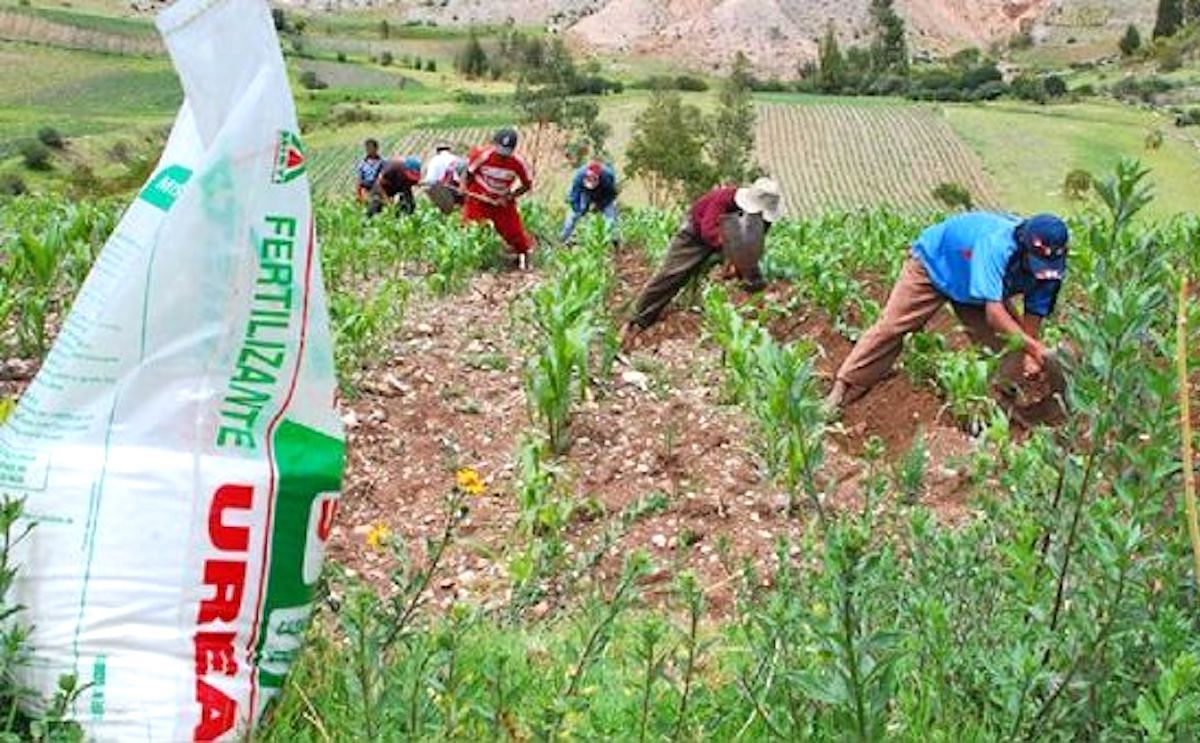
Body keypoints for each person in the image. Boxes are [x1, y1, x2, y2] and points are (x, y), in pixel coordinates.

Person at [825, 212, 1070, 412]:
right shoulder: (996, 245)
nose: (1042, 270)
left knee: (1011, 348)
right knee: (893, 326)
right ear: (1023, 247)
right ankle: (845, 386)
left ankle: (1004, 404)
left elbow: (1035, 310)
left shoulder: (1051, 267)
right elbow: (994, 314)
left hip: (975, 291)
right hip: (935, 266)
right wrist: (1037, 349)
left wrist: (1030, 354)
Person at [619, 177, 782, 349]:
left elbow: (757, 237)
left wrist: (741, 259)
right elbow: (708, 232)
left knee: (751, 272)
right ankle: (638, 318)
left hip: (733, 241)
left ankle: (756, 316)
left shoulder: (764, 217)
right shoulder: (722, 199)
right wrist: (732, 252)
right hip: (694, 238)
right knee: (670, 276)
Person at [462, 128, 535, 267]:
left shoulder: (518, 163)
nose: (502, 156)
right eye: (500, 150)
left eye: (506, 152)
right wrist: (464, 189)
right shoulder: (482, 155)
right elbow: (468, 173)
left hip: (501, 200)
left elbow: (527, 185)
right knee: (473, 228)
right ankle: (473, 261)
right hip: (479, 198)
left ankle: (524, 260)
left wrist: (509, 197)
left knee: (514, 232)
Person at [560, 160, 619, 246]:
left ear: (598, 178)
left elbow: (611, 196)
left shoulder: (607, 178)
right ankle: (563, 239)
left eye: (593, 180)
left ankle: (609, 241)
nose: (591, 181)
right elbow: (574, 198)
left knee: (610, 218)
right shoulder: (579, 177)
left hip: (603, 194)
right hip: (585, 193)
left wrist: (599, 206)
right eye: (589, 179)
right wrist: (580, 211)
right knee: (572, 217)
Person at [354, 138, 385, 203]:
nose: (369, 150)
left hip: (378, 186)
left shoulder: (382, 162)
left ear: (376, 149)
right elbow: (359, 179)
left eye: (371, 148)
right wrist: (358, 194)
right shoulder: (362, 164)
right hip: (366, 186)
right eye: (368, 148)